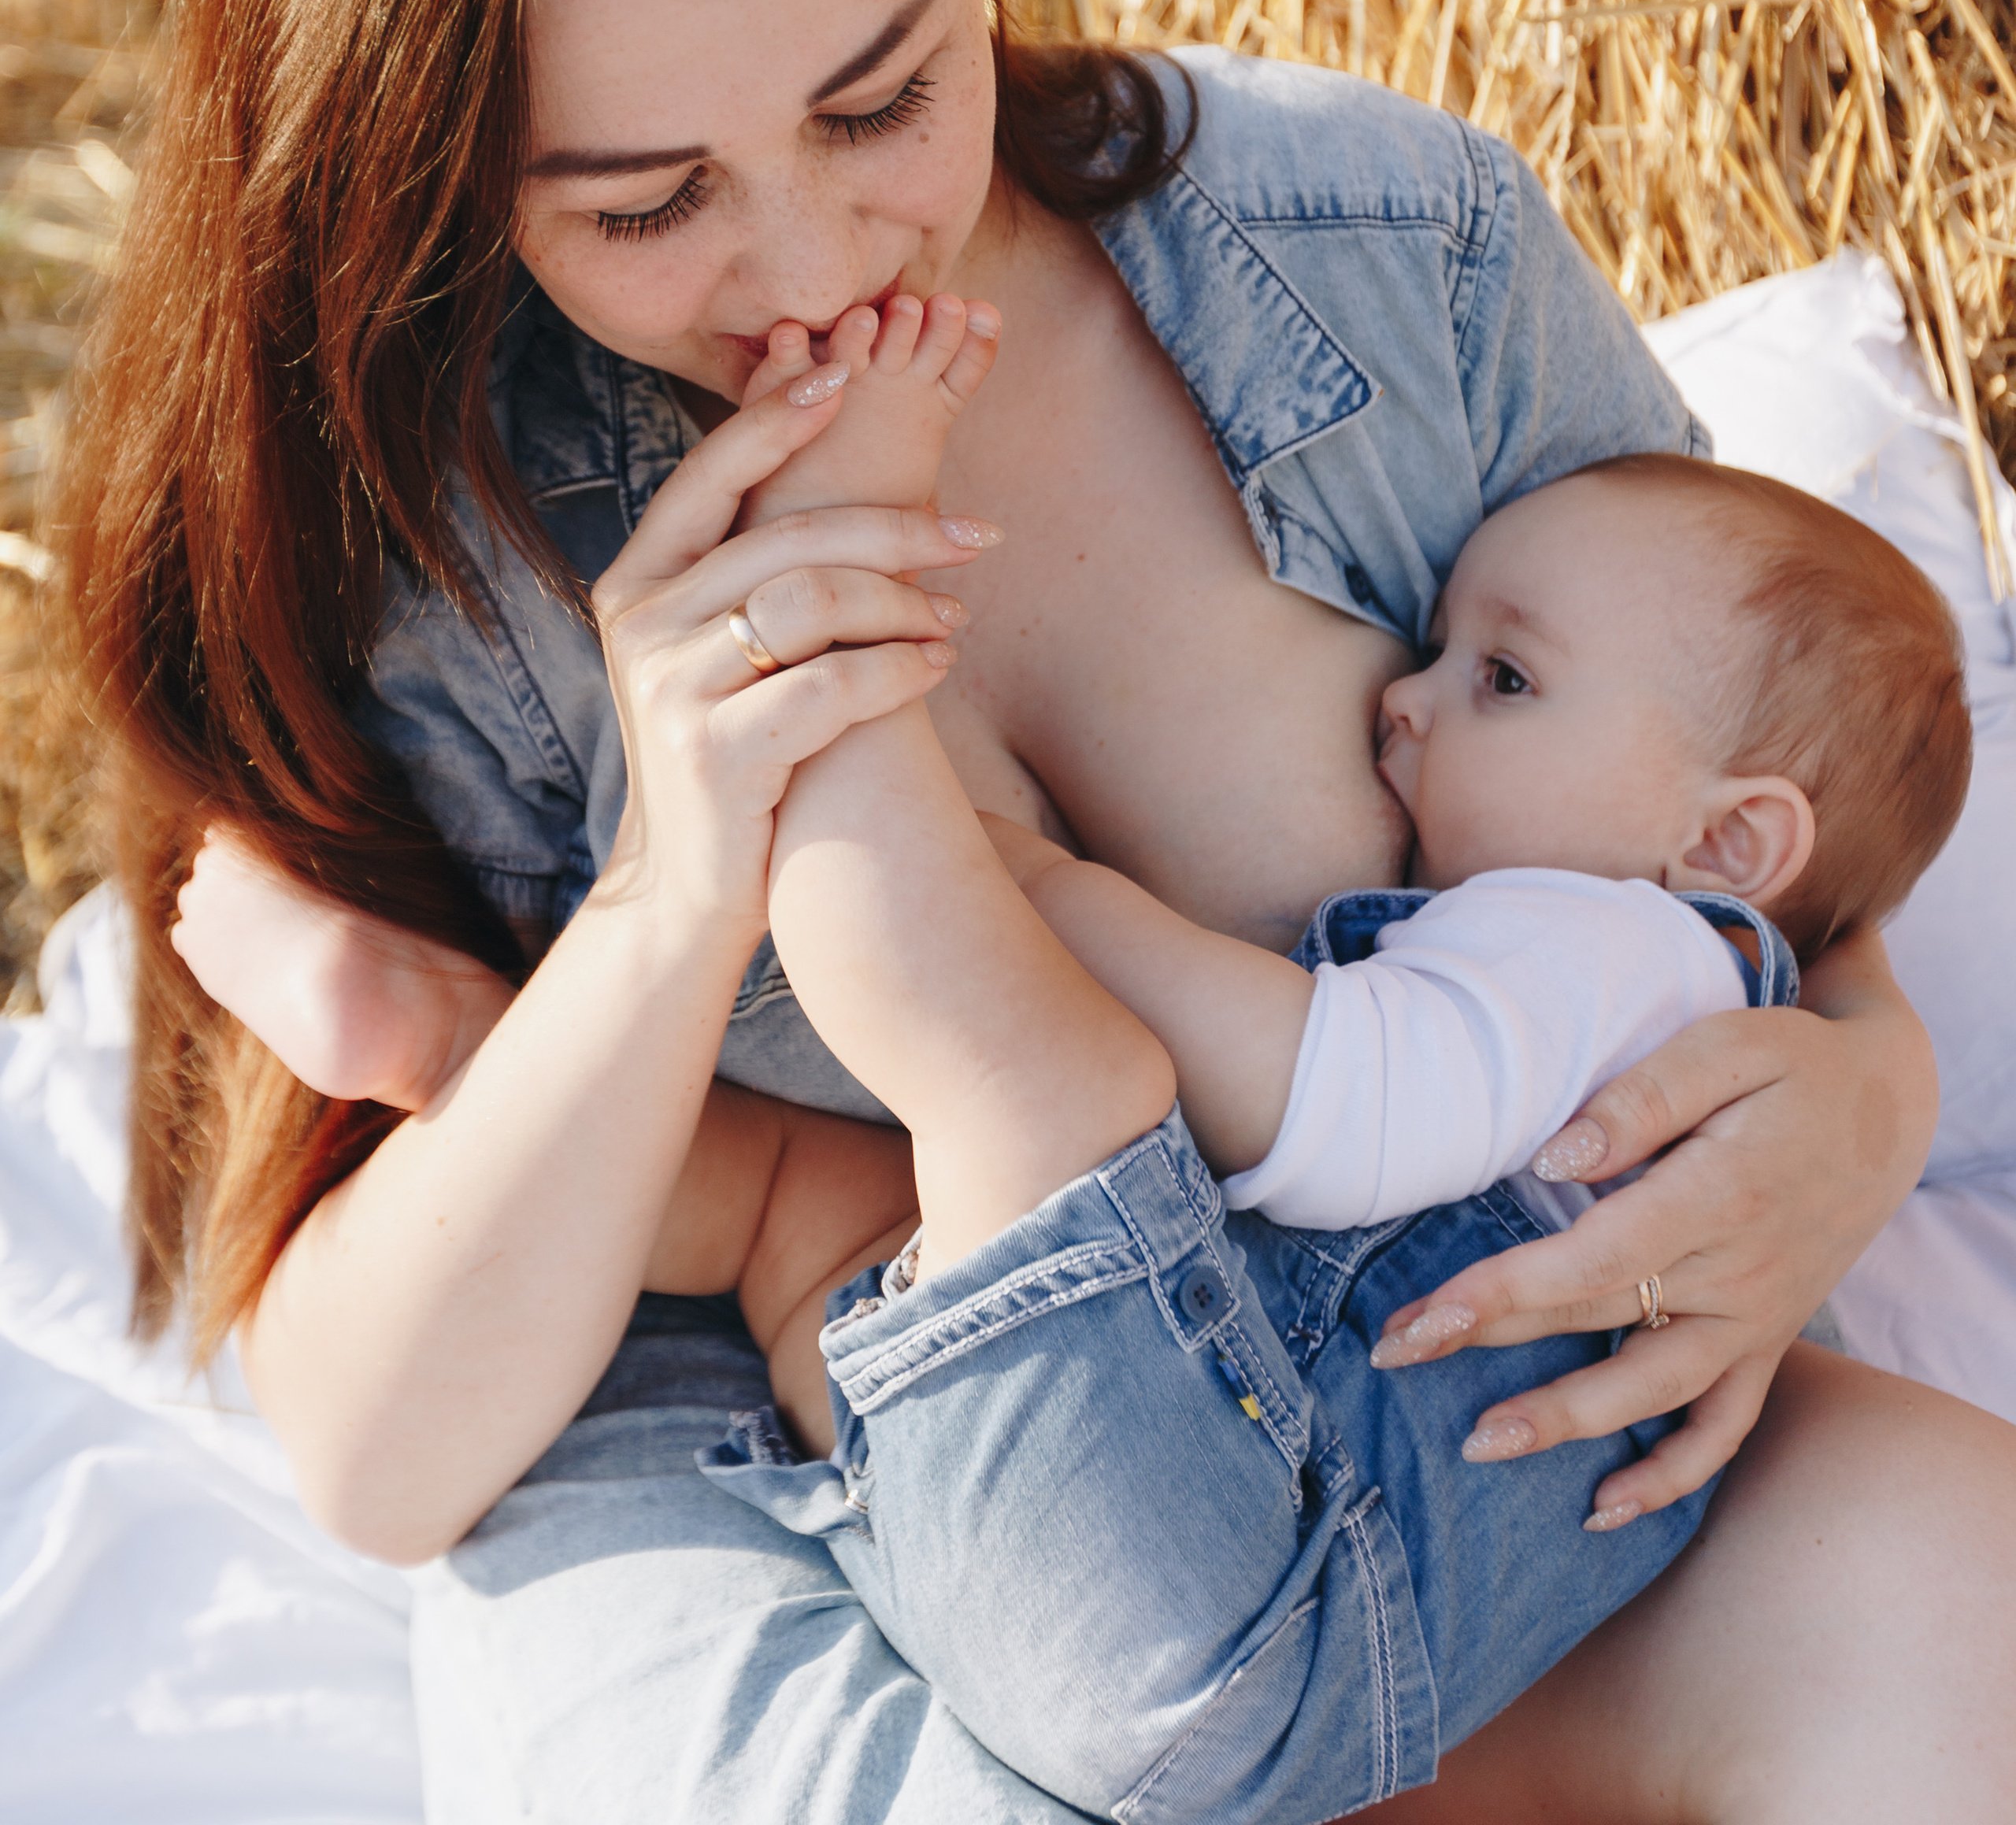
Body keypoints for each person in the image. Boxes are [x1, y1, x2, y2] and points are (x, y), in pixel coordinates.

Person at [71, 0, 2016, 1824]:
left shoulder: (1395, 254)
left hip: (1413, 1405)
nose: (814, 269)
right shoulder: (420, 540)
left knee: (1970, 1616)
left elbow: (1768, 847)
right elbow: (379, 1450)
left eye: (886, 93)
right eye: (645, 204)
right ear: (442, 160)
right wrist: (679, 881)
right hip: (798, 1474)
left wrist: (1860, 1106)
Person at [187, 341, 1970, 1820]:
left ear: (1730, 846)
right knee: (806, 1196)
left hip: (1245, 1578)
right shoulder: (1636, 924)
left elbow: (1343, 1102)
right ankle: (469, 1058)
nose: (1405, 699)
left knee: (1030, 1073)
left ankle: (832, 624)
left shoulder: (1622, 949)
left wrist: (1042, 898)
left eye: (1500, 679)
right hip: (1195, 1618)